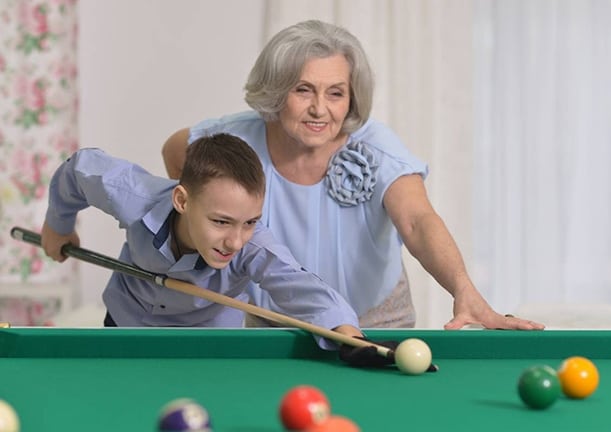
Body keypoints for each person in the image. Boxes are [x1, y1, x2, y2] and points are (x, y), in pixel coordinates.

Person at [161, 20, 544, 331]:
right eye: (303, 89)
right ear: (277, 91)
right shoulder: (235, 139)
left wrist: (464, 289)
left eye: (335, 93)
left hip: (374, 318)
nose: (319, 109)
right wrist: (201, 228)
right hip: (270, 320)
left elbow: (417, 221)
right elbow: (175, 151)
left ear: (352, 97)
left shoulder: (376, 146)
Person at [40, 133, 367, 352]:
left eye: (250, 222)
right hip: (126, 327)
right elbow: (79, 170)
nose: (235, 240)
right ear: (182, 200)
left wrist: (345, 329)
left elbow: (298, 283)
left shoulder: (251, 247)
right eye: (221, 221)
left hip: (208, 345)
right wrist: (58, 226)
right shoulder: (133, 197)